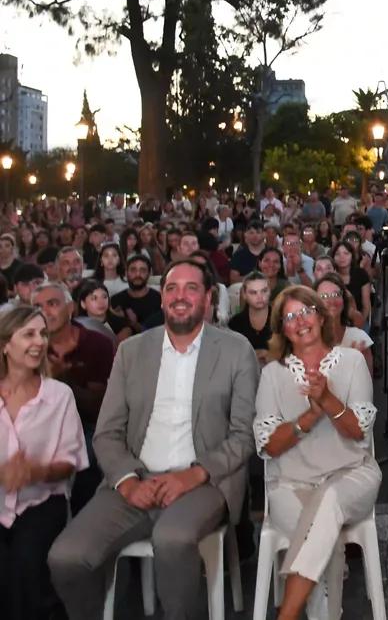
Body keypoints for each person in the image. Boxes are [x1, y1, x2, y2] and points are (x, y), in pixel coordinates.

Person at [47, 259, 260, 620]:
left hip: (204, 481)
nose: (180, 296)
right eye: (172, 288)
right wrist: (128, 481)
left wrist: (194, 474)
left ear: (208, 298)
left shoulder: (235, 350)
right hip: (135, 480)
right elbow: (107, 432)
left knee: (172, 540)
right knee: (67, 557)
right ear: (162, 299)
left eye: (191, 288)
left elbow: (244, 434)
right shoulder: (131, 351)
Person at [253, 286, 380, 620]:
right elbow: (269, 445)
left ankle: (287, 614)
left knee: (329, 500)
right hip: (290, 482)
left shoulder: (352, 362)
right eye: (290, 317)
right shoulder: (272, 374)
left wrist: (327, 399)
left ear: (321, 316)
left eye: (306, 311)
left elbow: (358, 431)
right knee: (324, 540)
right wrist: (308, 418)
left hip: (351, 474)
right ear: (282, 329)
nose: (300, 321)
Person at [0, 307, 89, 620]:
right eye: (28, 334)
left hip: (42, 500)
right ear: (5, 345)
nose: (39, 342)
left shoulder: (59, 395)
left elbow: (70, 462)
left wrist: (35, 472)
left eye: (42, 334)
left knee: (26, 562)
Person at [32, 282, 115, 515]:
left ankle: (83, 522)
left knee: (86, 458)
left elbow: (96, 409)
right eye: (37, 307)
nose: (44, 312)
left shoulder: (98, 343)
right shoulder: (26, 344)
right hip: (36, 422)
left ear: (70, 308)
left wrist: (64, 379)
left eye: (52, 304)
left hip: (84, 424)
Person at [315, 274, 374, 376]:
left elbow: (368, 381)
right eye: (324, 296)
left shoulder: (358, 338)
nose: (331, 300)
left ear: (343, 300)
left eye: (336, 294)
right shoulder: (309, 340)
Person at [229, 271, 272, 364]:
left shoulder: (280, 320)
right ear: (244, 294)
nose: (260, 297)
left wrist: (272, 355)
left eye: (264, 291)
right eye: (253, 293)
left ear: (270, 291)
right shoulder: (235, 323)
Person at [110, 255, 162, 326]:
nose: (137, 274)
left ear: (149, 273)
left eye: (142, 270)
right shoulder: (115, 301)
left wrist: (133, 324)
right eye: (133, 270)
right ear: (126, 273)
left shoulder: (159, 300)